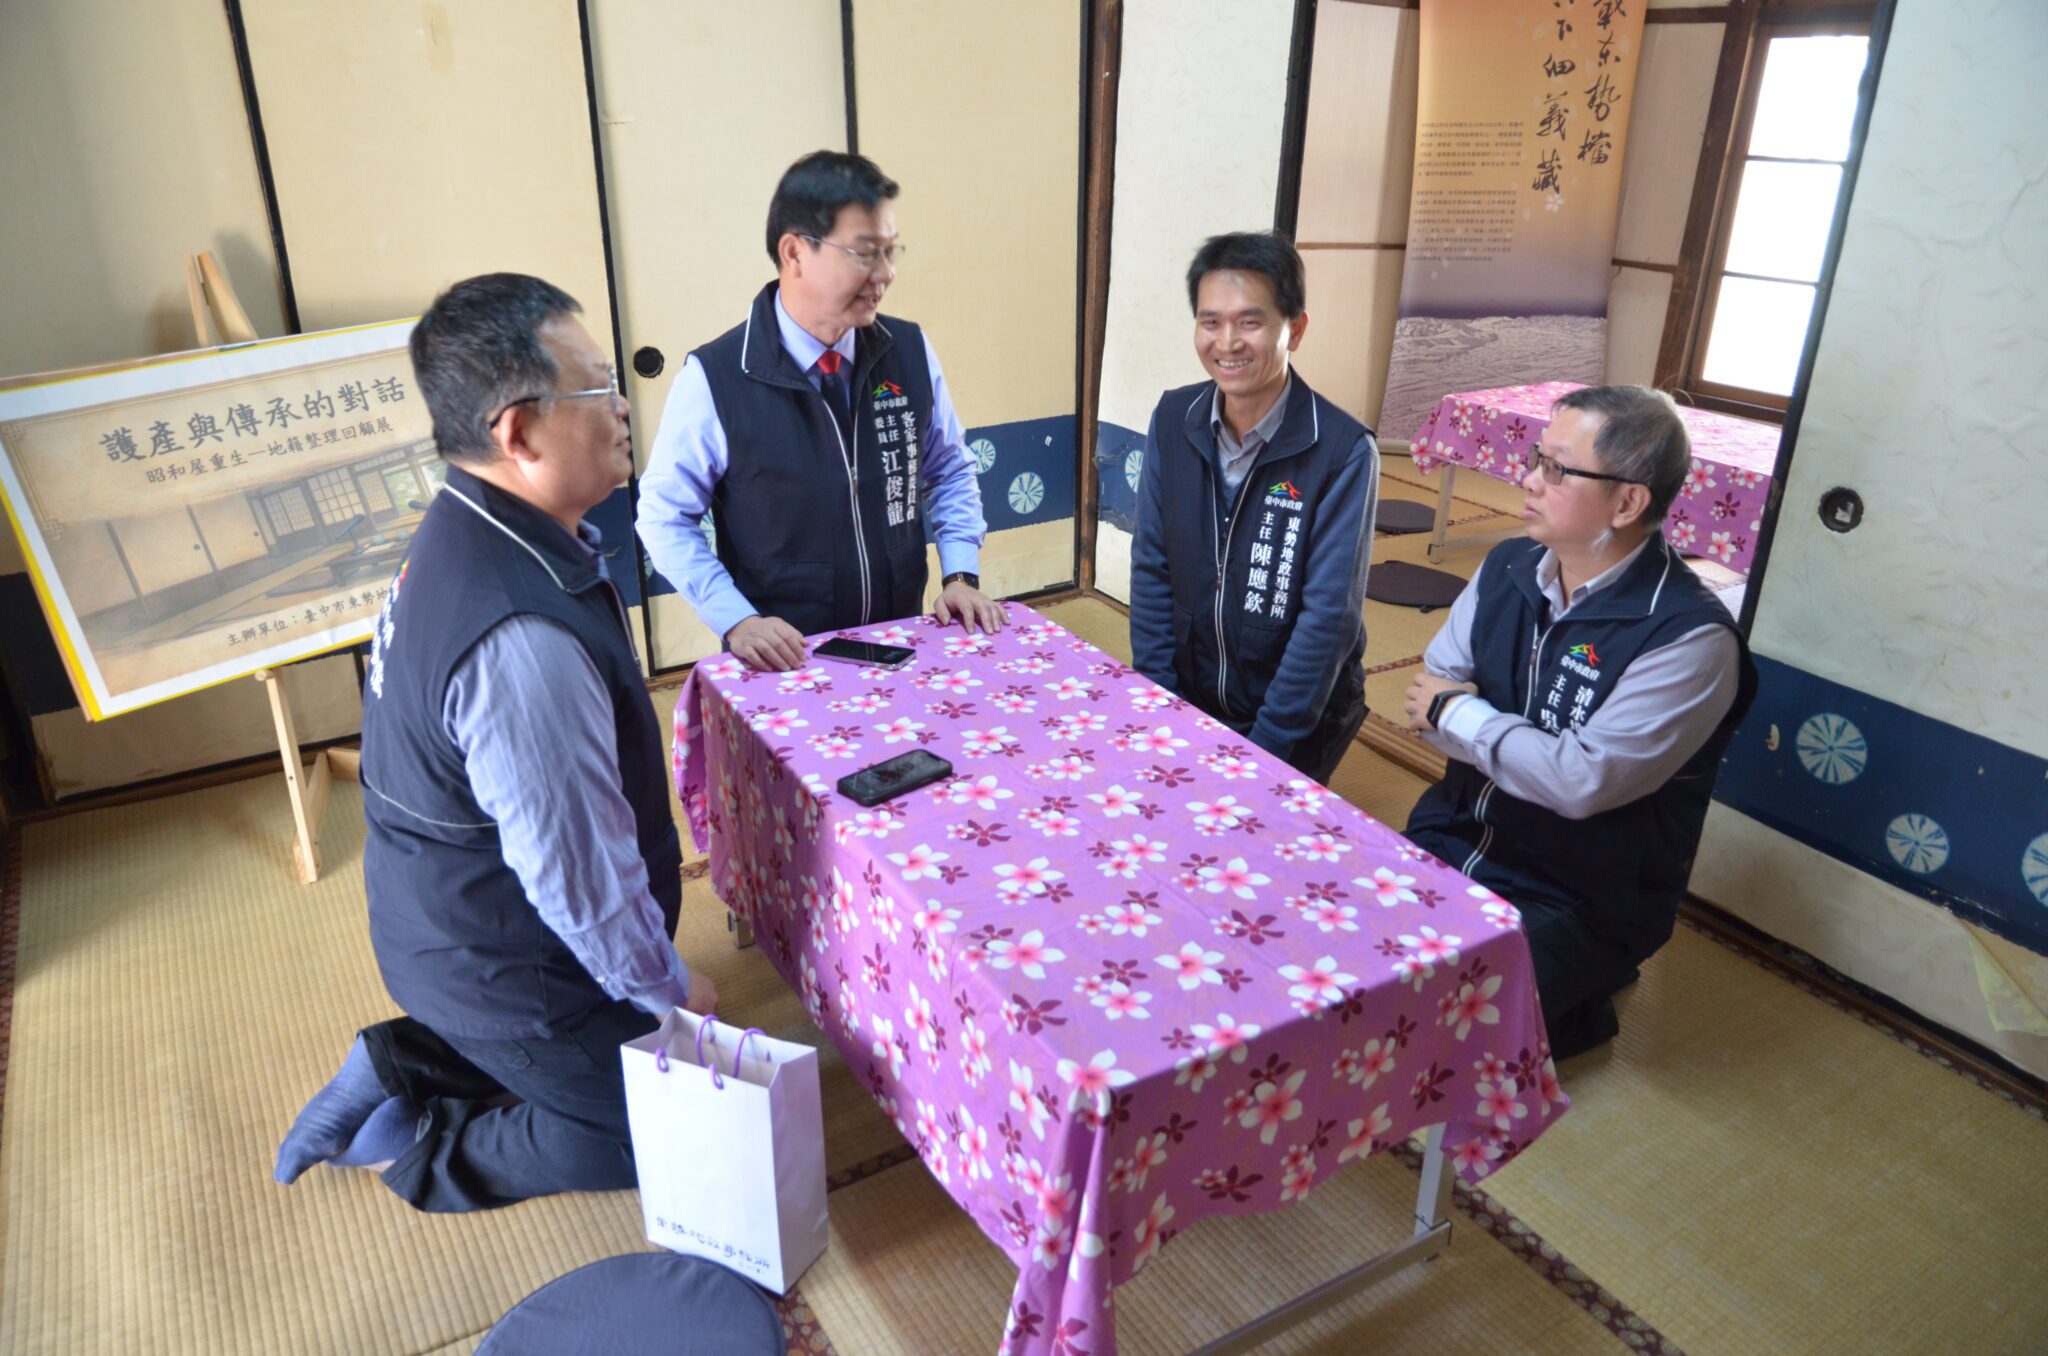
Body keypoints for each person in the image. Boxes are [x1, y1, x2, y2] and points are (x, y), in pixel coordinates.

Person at [274, 273, 716, 1211]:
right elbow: (581, 882)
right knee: (663, 1130)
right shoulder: (520, 640)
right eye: (598, 389)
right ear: (518, 433)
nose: (622, 407)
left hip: (445, 922)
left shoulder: (466, 526)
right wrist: (671, 987)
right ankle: (418, 1151)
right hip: (510, 965)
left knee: (629, 1052)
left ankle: (405, 1057)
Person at [1400, 385, 1758, 1059]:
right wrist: (1473, 723)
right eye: (1537, 458)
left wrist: (1463, 714)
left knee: (1431, 1031)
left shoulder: (1689, 639)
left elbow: (1581, 785)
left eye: (1557, 469)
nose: (1529, 480)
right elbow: (1429, 695)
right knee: (1336, 955)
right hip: (1451, 834)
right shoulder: (1507, 566)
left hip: (1578, 899)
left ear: (1627, 503)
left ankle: (1580, 1003)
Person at [636, 150, 1002, 672]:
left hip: (897, 644)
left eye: (891, 252)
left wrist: (960, 575)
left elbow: (948, 468)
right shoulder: (715, 377)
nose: (885, 274)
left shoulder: (908, 350)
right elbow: (664, 516)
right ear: (794, 253)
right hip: (784, 660)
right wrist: (736, 619)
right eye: (864, 253)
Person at [1128, 231, 1379, 784]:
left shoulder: (1342, 451)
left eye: (1249, 322)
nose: (1227, 342)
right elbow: (1151, 566)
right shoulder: (1173, 419)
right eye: (1210, 321)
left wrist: (1266, 748)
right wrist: (1159, 702)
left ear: (1296, 329)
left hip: (1295, 720)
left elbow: (1329, 619)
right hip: (1187, 698)